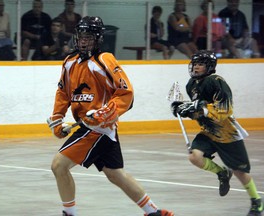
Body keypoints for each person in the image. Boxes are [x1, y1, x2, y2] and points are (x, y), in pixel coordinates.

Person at [47, 16, 174, 216]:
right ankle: (154, 212)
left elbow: (126, 93)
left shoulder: (104, 60)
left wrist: (106, 111)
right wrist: (57, 118)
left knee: (59, 165)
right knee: (115, 174)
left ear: (97, 38)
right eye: (80, 36)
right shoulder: (69, 62)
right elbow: (63, 92)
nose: (83, 41)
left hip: (98, 128)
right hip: (88, 126)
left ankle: (69, 213)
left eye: (88, 37)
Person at [171, 50, 264, 216]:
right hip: (208, 132)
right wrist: (183, 108)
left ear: (209, 67)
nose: (195, 67)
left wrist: (200, 108)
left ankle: (256, 201)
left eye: (200, 64)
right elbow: (199, 110)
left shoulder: (216, 82)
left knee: (240, 172)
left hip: (226, 134)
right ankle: (221, 172)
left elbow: (225, 110)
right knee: (195, 157)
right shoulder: (191, 85)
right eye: (194, 63)